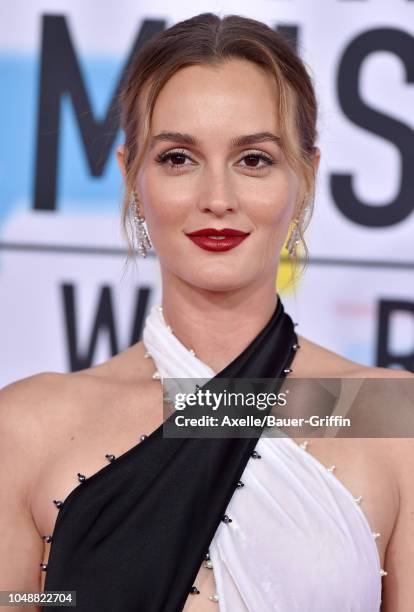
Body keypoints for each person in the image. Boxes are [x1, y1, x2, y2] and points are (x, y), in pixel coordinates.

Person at [0, 12, 413, 612]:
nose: (217, 199)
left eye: (254, 160)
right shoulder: (26, 427)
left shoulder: (392, 417)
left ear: (305, 179)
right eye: (177, 158)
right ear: (131, 177)